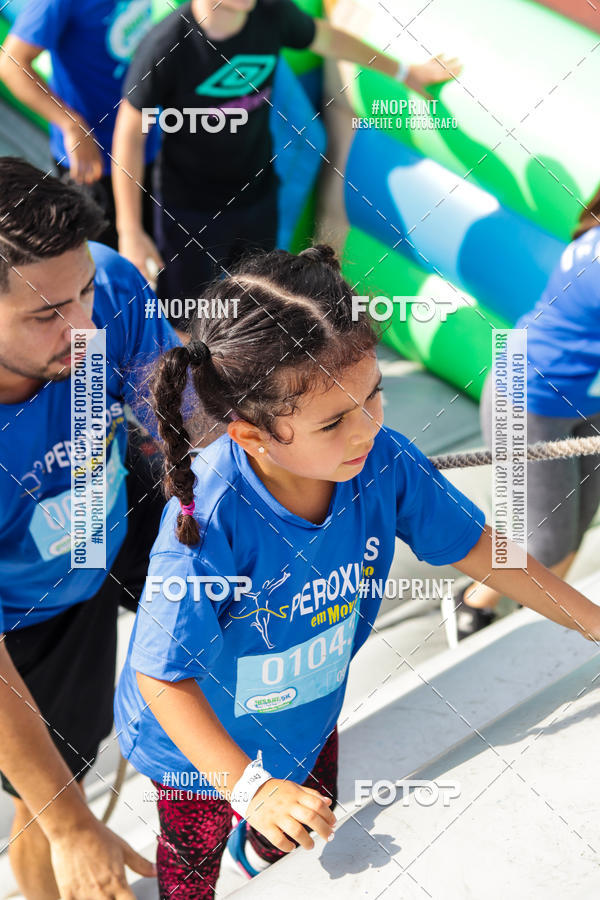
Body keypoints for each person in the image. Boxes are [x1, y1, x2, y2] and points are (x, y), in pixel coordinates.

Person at [113, 243, 600, 899]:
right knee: (192, 870)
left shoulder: (382, 461)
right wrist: (253, 789)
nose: (366, 429)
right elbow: (162, 676)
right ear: (251, 435)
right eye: (334, 421)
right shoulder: (207, 520)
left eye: (374, 396)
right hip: (196, 756)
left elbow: (482, 548)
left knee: (300, 838)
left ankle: (259, 856)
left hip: (310, 715)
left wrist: (593, 622)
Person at [0, 157, 180, 899]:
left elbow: (187, 423)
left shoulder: (105, 284)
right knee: (52, 793)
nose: (82, 328)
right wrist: (75, 828)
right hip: (25, 610)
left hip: (105, 507)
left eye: (81, 295)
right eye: (47, 314)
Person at [111, 0, 461, 329]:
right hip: (189, 212)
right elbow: (129, 137)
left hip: (257, 196)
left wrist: (405, 72)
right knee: (186, 320)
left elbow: (329, 39)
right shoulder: (166, 46)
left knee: (258, 315)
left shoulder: (271, 13)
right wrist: (130, 230)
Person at [447, 189, 600, 642]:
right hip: (528, 399)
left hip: (580, 398)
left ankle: (532, 617)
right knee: (548, 545)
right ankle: (474, 605)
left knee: (573, 529)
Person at [0, 0, 161, 249]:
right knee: (110, 257)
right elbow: (11, 64)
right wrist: (71, 124)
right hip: (97, 163)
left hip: (149, 142)